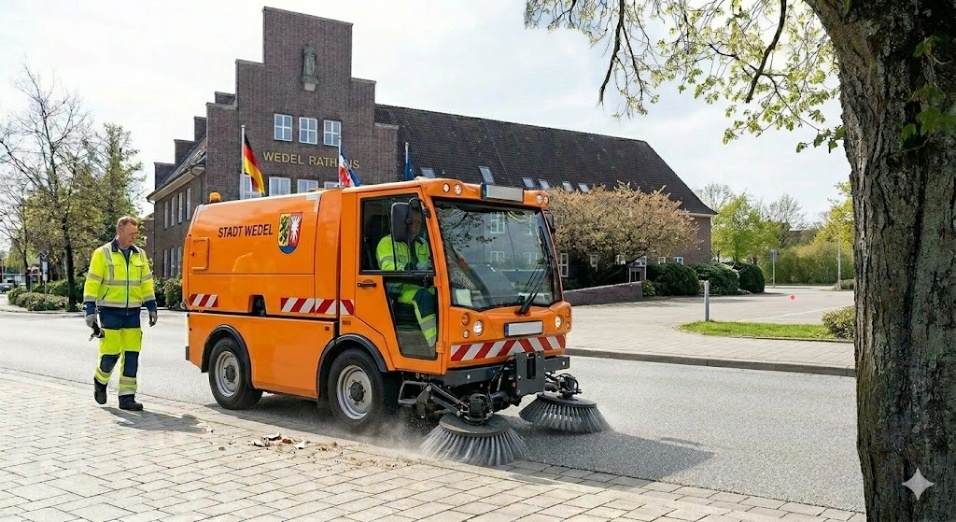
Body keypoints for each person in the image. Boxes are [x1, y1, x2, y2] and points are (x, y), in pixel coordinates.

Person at [83, 216, 158, 411]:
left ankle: (127, 397)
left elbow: (146, 283)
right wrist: (90, 309)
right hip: (110, 312)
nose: (134, 236)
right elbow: (92, 283)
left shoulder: (140, 255)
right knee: (111, 354)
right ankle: (100, 381)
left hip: (133, 312)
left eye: (136, 233)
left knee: (132, 356)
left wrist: (152, 306)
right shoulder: (102, 254)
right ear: (120, 231)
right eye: (131, 233)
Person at [376, 212, 438, 347]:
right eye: (413, 222)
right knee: (423, 296)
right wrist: (416, 268)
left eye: (419, 223)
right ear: (404, 222)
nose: (417, 225)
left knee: (447, 293)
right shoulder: (387, 242)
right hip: (396, 286)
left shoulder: (423, 243)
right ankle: (433, 342)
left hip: (420, 283)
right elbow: (388, 267)